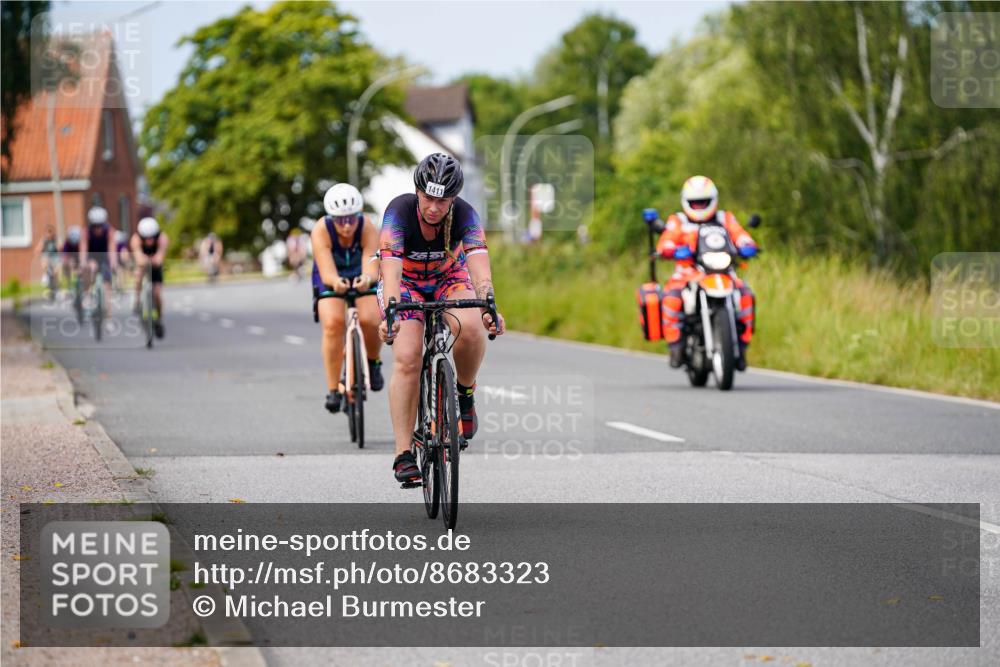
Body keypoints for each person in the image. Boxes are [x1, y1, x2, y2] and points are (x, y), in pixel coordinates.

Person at [377, 153, 505, 484]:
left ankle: (464, 394)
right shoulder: (398, 212)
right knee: (407, 358)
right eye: (429, 197)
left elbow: (479, 268)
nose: (434, 207)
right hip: (405, 283)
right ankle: (403, 454)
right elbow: (390, 270)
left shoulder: (465, 214)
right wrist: (391, 310)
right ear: (418, 191)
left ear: (454, 199)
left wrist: (489, 303)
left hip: (450, 278)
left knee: (472, 326)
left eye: (443, 200)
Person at [653, 176, 757, 370]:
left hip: (722, 270)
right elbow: (667, 239)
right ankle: (676, 346)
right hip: (688, 272)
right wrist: (669, 248)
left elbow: (739, 233)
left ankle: (741, 347)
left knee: (745, 295)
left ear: (713, 200)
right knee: (671, 298)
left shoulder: (724, 218)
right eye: (695, 202)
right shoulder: (678, 220)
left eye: (703, 202)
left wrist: (746, 244)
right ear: (686, 202)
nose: (699, 206)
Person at [311, 183, 383, 413]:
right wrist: (335, 282)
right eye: (340, 220)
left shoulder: (367, 227)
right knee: (333, 323)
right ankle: (333, 388)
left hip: (360, 272)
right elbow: (326, 268)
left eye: (352, 218)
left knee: (371, 319)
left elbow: (372, 265)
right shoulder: (321, 229)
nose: (347, 225)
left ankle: (373, 362)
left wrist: (367, 279)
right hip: (330, 273)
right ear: (331, 218)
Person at [132, 216, 169, 338]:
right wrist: (144, 260)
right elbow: (138, 256)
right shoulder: (135, 239)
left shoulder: (163, 238)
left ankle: (158, 318)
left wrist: (157, 258)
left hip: (155, 264)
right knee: (138, 275)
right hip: (143, 263)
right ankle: (137, 300)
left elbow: (161, 255)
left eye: (152, 237)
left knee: (157, 293)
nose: (149, 241)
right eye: (146, 238)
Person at [79, 205, 116, 318]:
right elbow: (83, 248)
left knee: (107, 288)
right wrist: (83, 262)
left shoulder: (109, 230)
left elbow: (112, 248)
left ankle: (109, 318)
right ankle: (87, 295)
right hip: (92, 256)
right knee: (91, 268)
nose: (98, 229)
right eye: (95, 226)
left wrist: (114, 263)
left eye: (100, 226)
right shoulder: (86, 232)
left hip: (104, 257)